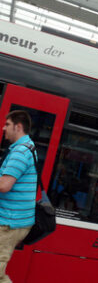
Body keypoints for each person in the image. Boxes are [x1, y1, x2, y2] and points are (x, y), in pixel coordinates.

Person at [0, 110, 37, 283]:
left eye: (7, 124)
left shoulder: (20, 152)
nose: (3, 128)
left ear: (18, 126)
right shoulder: (28, 147)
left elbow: (4, 185)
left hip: (9, 222)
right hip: (13, 219)